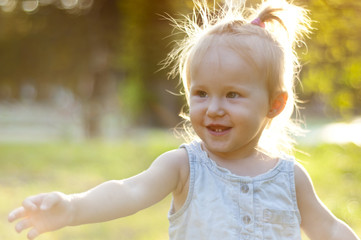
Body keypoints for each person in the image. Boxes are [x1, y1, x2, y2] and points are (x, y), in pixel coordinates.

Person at [8, 0, 360, 239]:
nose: (213, 108)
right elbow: (128, 191)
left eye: (232, 95)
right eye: (201, 93)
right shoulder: (185, 166)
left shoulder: (289, 178)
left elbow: (328, 228)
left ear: (275, 104)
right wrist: (71, 207)